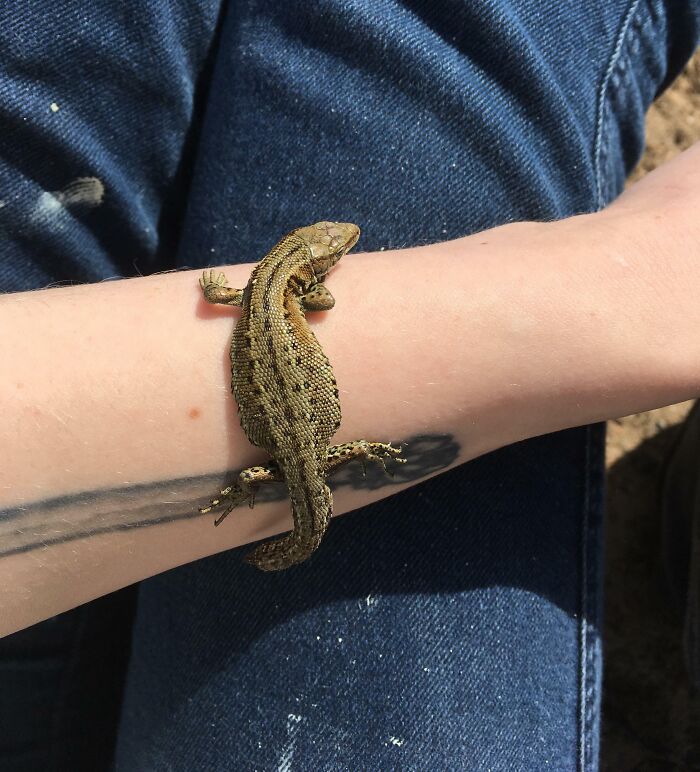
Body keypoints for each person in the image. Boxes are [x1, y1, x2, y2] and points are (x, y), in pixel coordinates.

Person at [0, 1, 699, 769]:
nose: (343, 248)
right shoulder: (291, 293)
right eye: (335, 250)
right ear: (312, 268)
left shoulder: (262, 289)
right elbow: (278, 298)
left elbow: (228, 299)